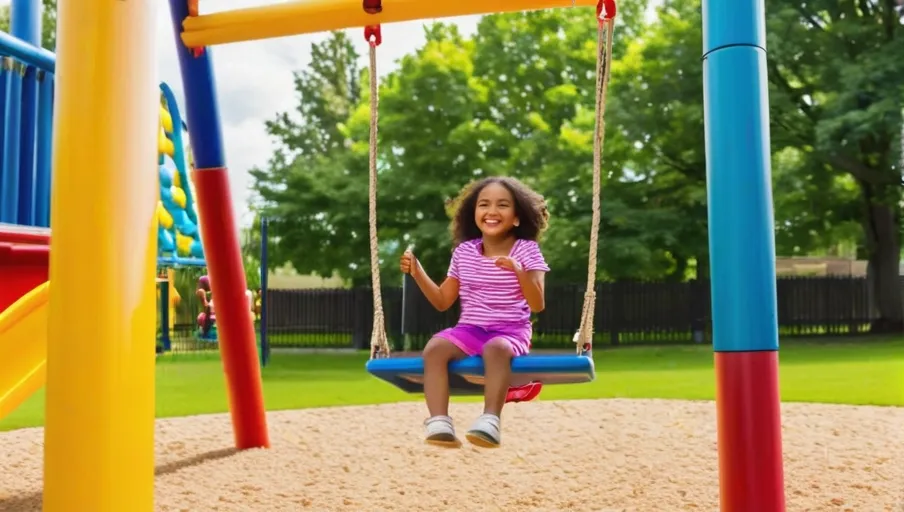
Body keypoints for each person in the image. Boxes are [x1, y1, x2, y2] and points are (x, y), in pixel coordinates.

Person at [399, 176, 550, 449]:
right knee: (434, 349)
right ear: (474, 214)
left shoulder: (528, 250)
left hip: (510, 331)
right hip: (470, 329)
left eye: (502, 205)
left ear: (516, 218)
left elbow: (538, 303)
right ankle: (439, 422)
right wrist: (417, 271)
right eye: (484, 205)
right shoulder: (464, 252)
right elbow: (443, 300)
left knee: (495, 348)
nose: (492, 211)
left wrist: (519, 271)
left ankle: (490, 420)